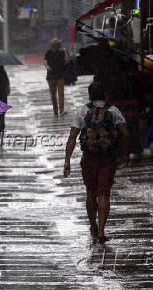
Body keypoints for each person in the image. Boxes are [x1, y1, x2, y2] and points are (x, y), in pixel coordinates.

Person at [63, 82, 130, 244]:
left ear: (90, 95)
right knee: (104, 193)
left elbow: (72, 138)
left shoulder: (82, 111)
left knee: (91, 193)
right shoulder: (113, 111)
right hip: (108, 158)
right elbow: (125, 134)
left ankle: (93, 225)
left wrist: (67, 161)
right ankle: (101, 231)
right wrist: (125, 153)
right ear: (104, 94)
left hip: (88, 158)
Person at [43, 37, 69, 116]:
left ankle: (61, 110)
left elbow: (66, 60)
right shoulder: (48, 52)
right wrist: (47, 66)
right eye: (58, 44)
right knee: (53, 94)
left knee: (61, 93)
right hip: (51, 76)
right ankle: (55, 110)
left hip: (60, 75)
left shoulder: (61, 52)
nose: (60, 45)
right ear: (55, 45)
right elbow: (44, 60)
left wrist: (65, 52)